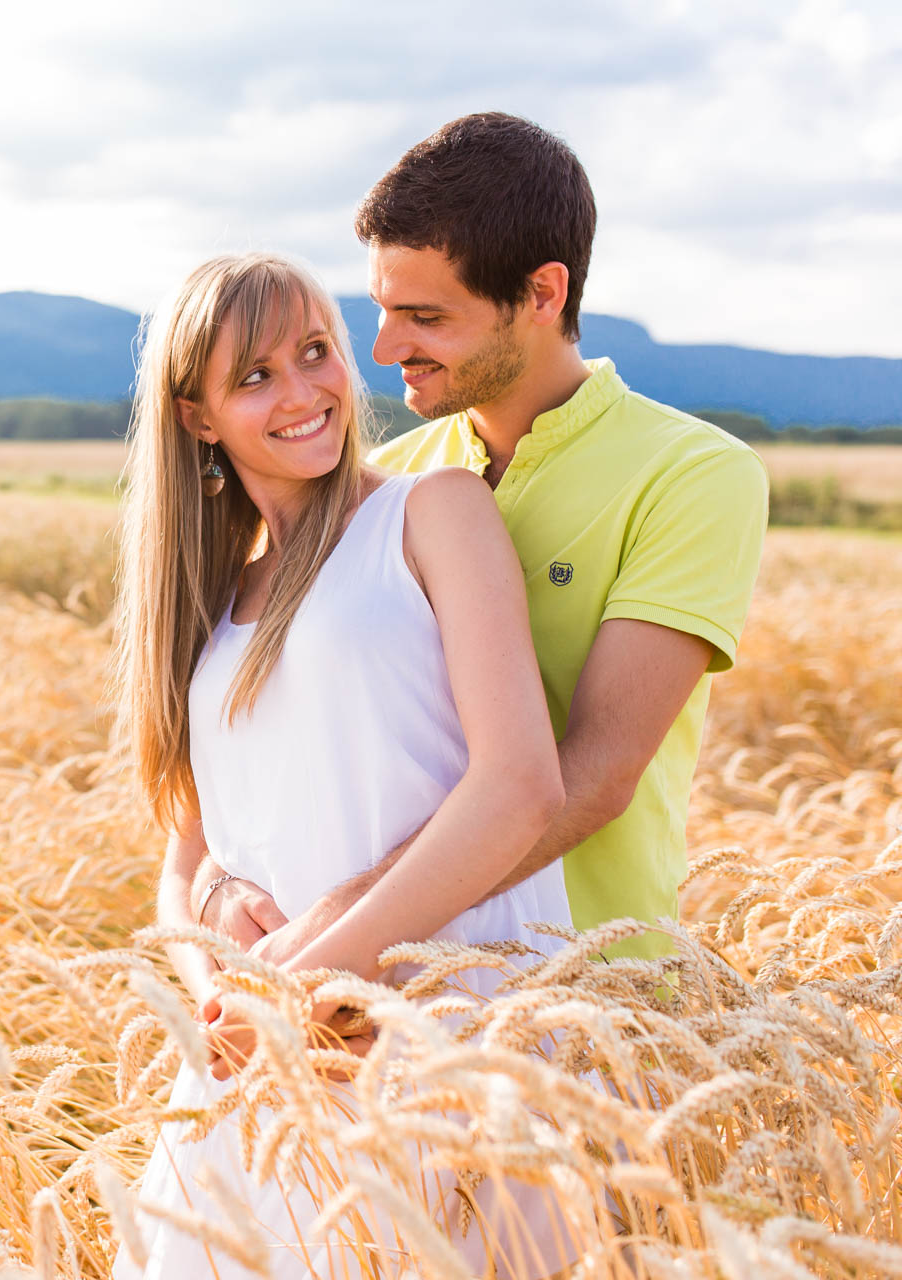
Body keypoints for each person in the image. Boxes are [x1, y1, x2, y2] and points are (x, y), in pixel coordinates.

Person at [191, 114, 771, 1026]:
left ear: (543, 293)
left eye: (427, 317)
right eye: (381, 311)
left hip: (592, 995)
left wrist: (352, 928)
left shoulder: (693, 474)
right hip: (371, 1007)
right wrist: (220, 885)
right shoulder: (390, 481)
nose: (384, 350)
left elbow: (597, 769)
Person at [108, 251, 582, 1279]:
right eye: (256, 376)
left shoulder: (429, 513)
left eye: (314, 352)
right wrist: (222, 1000)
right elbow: (184, 866)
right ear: (198, 417)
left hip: (436, 1039)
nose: (304, 391)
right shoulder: (212, 614)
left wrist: (325, 971)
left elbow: (521, 784)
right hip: (264, 1068)